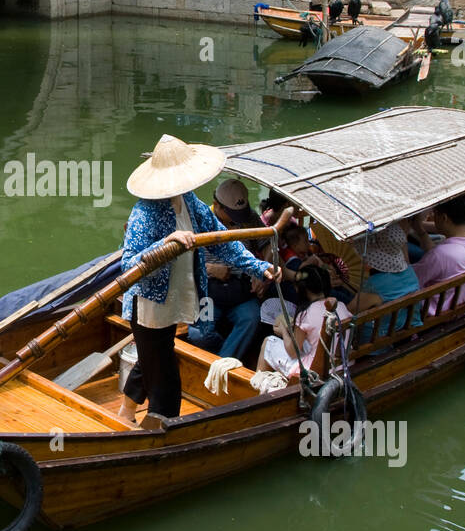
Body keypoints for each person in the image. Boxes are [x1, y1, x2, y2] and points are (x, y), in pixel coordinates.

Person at [117, 135, 280, 427]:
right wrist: (164, 244)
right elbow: (129, 264)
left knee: (152, 358)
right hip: (150, 307)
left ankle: (125, 412)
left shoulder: (190, 202)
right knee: (166, 380)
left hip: (175, 299)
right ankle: (159, 432)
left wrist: (258, 267)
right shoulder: (145, 213)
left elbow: (222, 242)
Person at [185, 178, 284, 362]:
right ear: (217, 206)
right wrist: (209, 269)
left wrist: (260, 274)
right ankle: (225, 358)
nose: (236, 220)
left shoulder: (250, 218)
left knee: (252, 318)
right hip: (210, 294)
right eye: (231, 214)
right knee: (200, 334)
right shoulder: (199, 221)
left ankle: (222, 365)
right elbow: (183, 262)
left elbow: (269, 245)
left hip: (241, 291)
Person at [256, 266, 350, 384]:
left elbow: (293, 352)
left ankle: (258, 386)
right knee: (306, 342)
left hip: (316, 371)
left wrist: (283, 332)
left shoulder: (306, 313)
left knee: (269, 343)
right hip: (343, 364)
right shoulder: (341, 305)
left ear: (304, 289)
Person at [408, 194, 465, 315]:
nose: (432, 216)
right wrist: (420, 230)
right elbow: (440, 255)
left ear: (443, 218)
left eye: (434, 213)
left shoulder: (440, 255)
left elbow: (409, 280)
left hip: (431, 314)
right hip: (456, 307)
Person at [347, 221, 422, 338]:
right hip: (406, 334)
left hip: (376, 345)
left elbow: (349, 313)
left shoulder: (374, 285)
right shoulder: (410, 272)